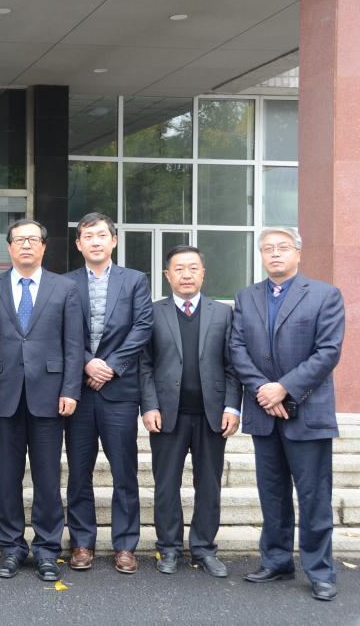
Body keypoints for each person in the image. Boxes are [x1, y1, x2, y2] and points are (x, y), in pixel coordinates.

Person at [229, 227, 344, 602]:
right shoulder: (246, 297)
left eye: (282, 247)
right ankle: (277, 561)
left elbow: (328, 351)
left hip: (307, 413)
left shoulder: (325, 295)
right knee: (272, 494)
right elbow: (237, 349)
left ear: (298, 253)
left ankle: (320, 571)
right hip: (264, 412)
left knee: (314, 498)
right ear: (261, 255)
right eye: (267, 249)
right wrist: (264, 390)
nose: (275, 253)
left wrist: (285, 388)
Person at [0, 220, 82, 582]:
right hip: (5, 395)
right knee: (7, 478)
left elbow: (74, 344)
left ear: (44, 246)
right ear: (9, 247)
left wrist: (70, 389)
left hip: (50, 395)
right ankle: (11, 548)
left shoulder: (65, 288)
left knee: (48, 478)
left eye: (33, 239)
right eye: (19, 240)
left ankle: (47, 550)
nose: (26, 245)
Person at [139, 245, 242, 578]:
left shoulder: (223, 313)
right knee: (166, 485)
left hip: (212, 416)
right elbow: (144, 364)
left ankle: (204, 548)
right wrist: (149, 406)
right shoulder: (153, 312)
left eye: (193, 268)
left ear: (203, 274)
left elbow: (233, 366)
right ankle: (168, 547)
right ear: (167, 275)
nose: (186, 274)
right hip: (167, 415)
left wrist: (232, 406)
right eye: (179, 269)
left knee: (209, 485)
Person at [64, 212, 152, 574]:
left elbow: (142, 327)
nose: (96, 241)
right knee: (78, 472)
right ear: (79, 244)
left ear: (113, 240)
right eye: (88, 236)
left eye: (102, 235)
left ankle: (126, 545)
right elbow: (61, 330)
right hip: (79, 391)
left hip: (120, 390)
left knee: (124, 471)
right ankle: (81, 542)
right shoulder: (66, 283)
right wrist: (87, 363)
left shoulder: (135, 281)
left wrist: (111, 366)